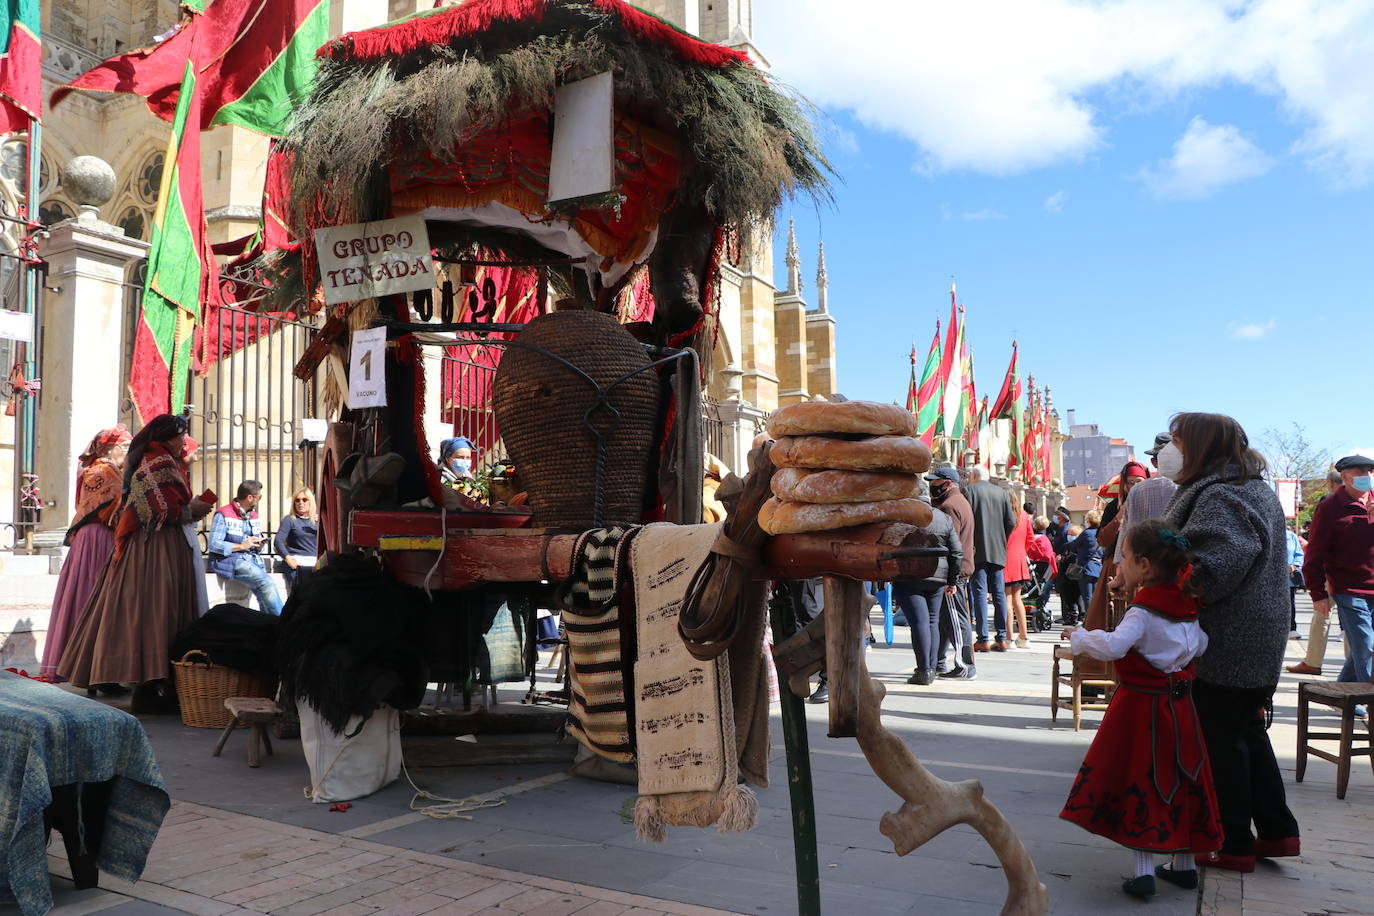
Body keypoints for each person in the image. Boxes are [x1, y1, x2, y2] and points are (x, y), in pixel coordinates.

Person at [1162, 411, 1299, 872]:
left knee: (1222, 739)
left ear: (1200, 447)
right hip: (1254, 629)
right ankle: (1278, 832)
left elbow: (1217, 567)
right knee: (1244, 731)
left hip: (1229, 635)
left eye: (1178, 441)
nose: (1170, 449)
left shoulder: (1221, 495)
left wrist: (1166, 578)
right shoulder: (1251, 487)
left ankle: (1234, 842)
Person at [1059, 519, 1222, 899]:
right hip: (1180, 709)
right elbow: (1200, 647)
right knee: (1182, 776)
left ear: (1145, 566)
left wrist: (1081, 637)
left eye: (1126, 559)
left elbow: (1115, 647)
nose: (1120, 566)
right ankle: (1183, 866)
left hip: (1140, 711)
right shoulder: (1187, 606)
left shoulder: (1143, 610)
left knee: (1141, 780)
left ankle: (1144, 871)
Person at [57, 414, 215, 712]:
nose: (184, 441)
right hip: (156, 549)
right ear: (168, 437)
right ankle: (151, 687)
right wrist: (191, 509)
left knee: (138, 610)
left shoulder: (147, 460)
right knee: (157, 611)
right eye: (181, 435)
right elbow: (157, 512)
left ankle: (146, 684)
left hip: (142, 547)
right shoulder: (160, 463)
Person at [40, 425, 132, 684]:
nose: (128, 450)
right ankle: (86, 667)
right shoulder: (101, 471)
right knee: (90, 597)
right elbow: (105, 508)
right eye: (124, 446)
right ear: (108, 448)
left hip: (102, 537)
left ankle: (97, 668)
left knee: (98, 599)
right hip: (95, 538)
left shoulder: (112, 471)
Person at [1301, 454, 1374, 686]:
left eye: (1370, 471)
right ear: (1344, 476)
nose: (1367, 476)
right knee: (1367, 646)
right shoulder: (1329, 507)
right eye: (1360, 471)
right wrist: (1317, 594)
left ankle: (1343, 692)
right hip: (1348, 590)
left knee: (1363, 650)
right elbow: (1314, 555)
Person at [892, 481, 963, 685]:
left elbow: (890, 543)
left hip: (909, 576)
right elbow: (956, 552)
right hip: (937, 577)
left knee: (919, 622)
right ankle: (930, 667)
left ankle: (924, 670)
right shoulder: (943, 518)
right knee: (932, 621)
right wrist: (952, 580)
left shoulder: (904, 517)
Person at [1288, 469, 1347, 674]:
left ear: (1330, 483)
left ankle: (1313, 661)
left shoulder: (1327, 504)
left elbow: (1318, 542)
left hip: (1331, 570)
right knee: (1352, 618)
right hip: (1352, 572)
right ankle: (1354, 664)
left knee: (1323, 614)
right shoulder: (1361, 501)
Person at [208, 480, 283, 616]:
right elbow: (214, 544)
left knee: (262, 592)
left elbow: (252, 540)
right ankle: (284, 622)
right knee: (266, 582)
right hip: (231, 560)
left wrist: (258, 545)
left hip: (251, 559)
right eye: (259, 497)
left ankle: (271, 627)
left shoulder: (253, 515)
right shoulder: (223, 514)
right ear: (250, 497)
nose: (259, 499)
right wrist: (242, 546)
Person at [929, 467, 977, 679]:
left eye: (936, 482)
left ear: (947, 483)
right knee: (946, 619)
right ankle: (939, 661)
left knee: (956, 619)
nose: (932, 485)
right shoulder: (960, 501)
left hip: (953, 572)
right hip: (958, 569)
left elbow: (951, 544)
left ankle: (965, 664)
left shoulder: (949, 506)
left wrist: (951, 578)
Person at [964, 465, 1017, 651]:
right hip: (998, 550)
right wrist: (1002, 539)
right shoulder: (1001, 493)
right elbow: (1011, 521)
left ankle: (983, 637)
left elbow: (965, 520)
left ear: (973, 476)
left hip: (976, 549)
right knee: (999, 594)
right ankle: (1002, 637)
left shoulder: (969, 491)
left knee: (979, 593)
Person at [274, 486, 319, 595]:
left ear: (311, 502)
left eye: (304, 500)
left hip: (315, 564)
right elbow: (278, 542)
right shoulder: (289, 520)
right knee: (302, 594)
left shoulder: (317, 521)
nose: (300, 503)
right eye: (297, 500)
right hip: (296, 563)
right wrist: (290, 560)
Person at [1002, 500, 1036, 647]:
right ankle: (1024, 637)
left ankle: (1008, 638)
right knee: (1017, 599)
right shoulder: (1024, 515)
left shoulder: (1002, 513)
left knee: (1006, 600)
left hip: (1004, 559)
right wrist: (1022, 551)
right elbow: (1030, 539)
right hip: (1019, 559)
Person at [1069, 510, 1103, 624]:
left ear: (1089, 520)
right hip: (1099, 567)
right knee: (1097, 597)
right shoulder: (1102, 532)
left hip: (1086, 568)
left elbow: (1073, 546)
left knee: (1087, 597)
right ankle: (1098, 619)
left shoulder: (1087, 533)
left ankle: (1090, 621)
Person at [1286, 527, 1305, 638]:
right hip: (1270, 577)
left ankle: (1292, 628)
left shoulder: (1291, 536)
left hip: (1288, 578)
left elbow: (1299, 554)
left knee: (1290, 603)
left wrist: (1294, 565)